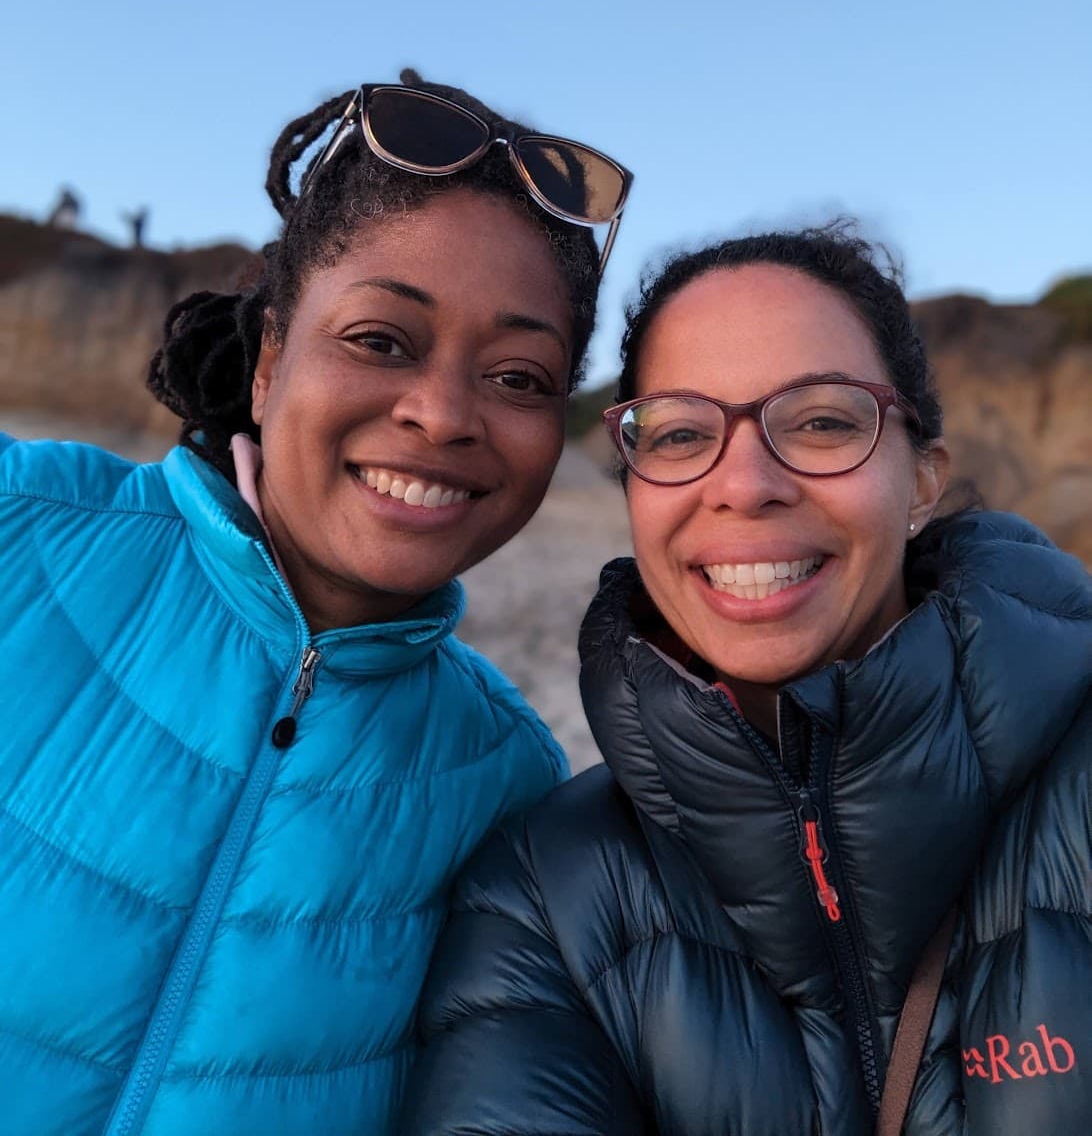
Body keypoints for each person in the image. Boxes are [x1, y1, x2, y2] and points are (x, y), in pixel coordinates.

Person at [0, 70, 632, 1136]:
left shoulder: (510, 779)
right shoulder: (23, 527)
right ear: (269, 360)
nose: (440, 414)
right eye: (381, 340)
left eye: (520, 377)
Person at [404, 225, 1092, 1136]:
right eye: (683, 432)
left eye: (820, 421)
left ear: (923, 482)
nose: (743, 483)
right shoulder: (543, 899)